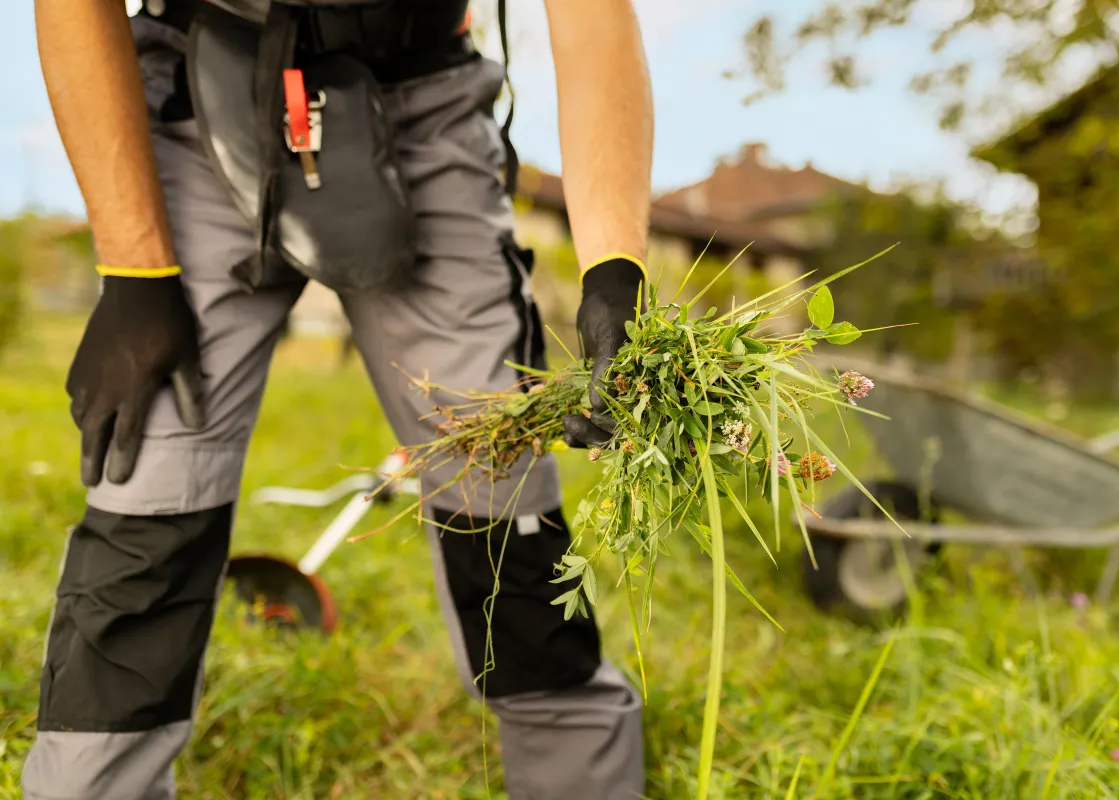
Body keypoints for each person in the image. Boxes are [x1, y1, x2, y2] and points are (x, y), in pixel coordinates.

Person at [23, 0, 653, 797]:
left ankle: (582, 778)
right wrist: (137, 270)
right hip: (195, 86)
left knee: (502, 502)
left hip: (422, 101)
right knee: (146, 499)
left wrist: (613, 266)